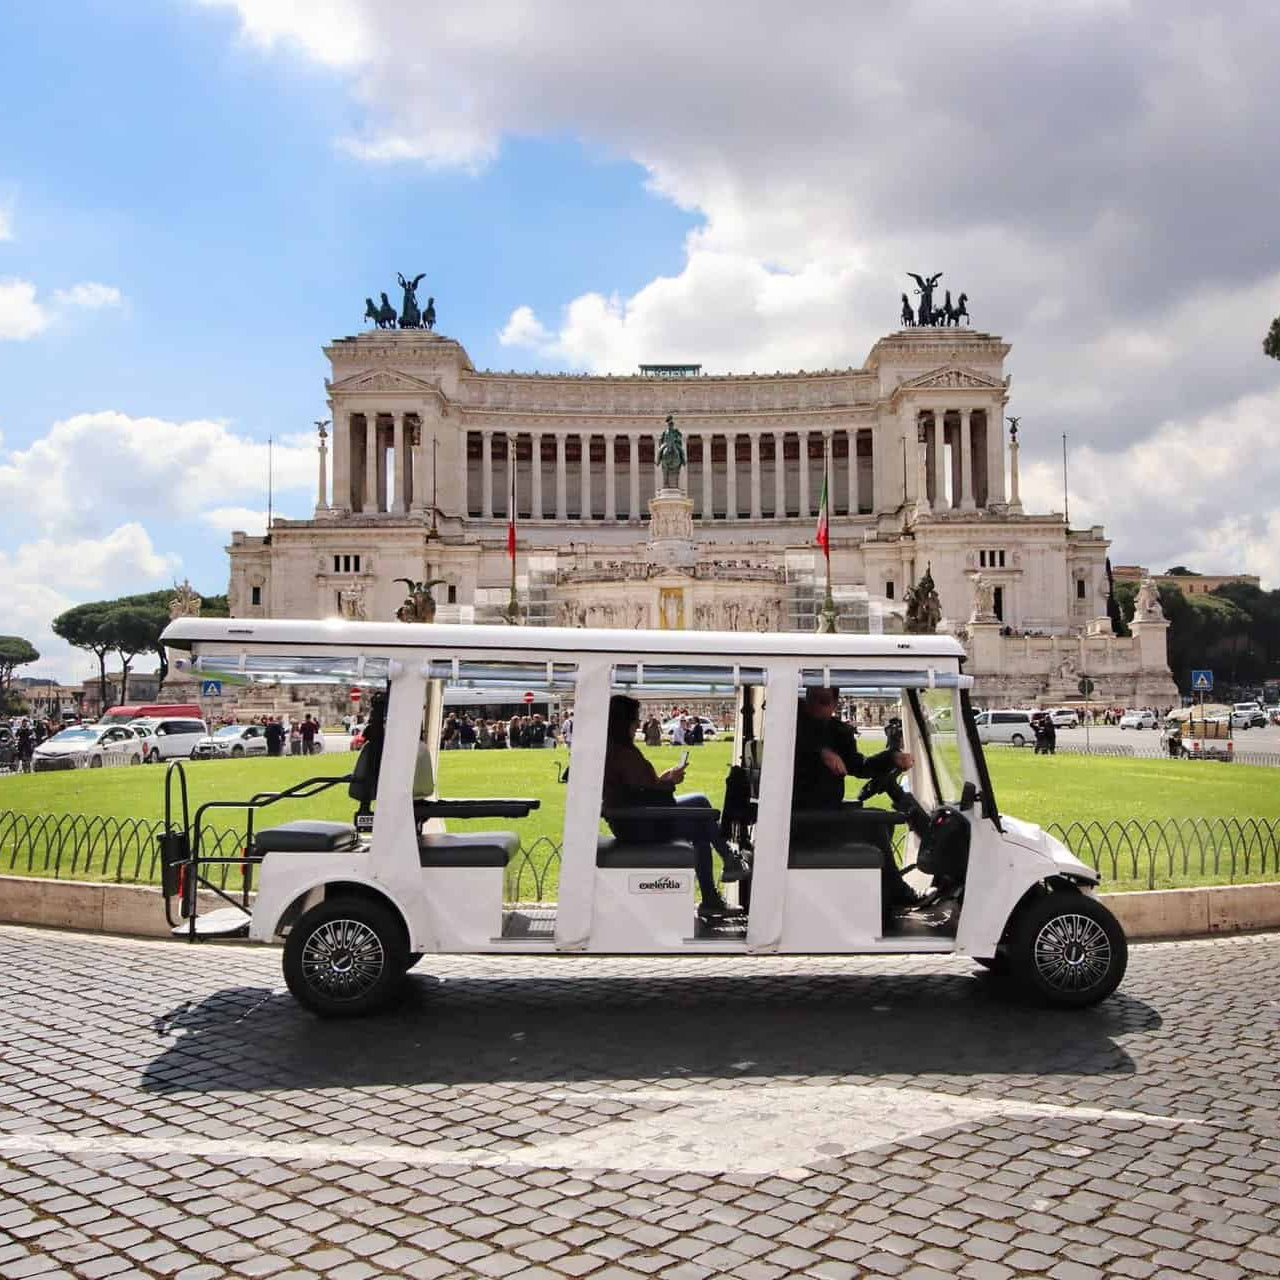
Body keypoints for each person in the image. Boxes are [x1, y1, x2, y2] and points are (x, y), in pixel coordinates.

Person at [603, 694, 748, 922]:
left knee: (701, 824)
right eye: (635, 720)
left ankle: (716, 887)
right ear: (625, 723)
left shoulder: (615, 750)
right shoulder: (622, 754)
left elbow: (642, 788)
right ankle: (728, 863)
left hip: (635, 818)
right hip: (641, 822)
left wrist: (665, 779)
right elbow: (651, 794)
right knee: (701, 806)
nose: (638, 724)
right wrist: (670, 782)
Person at [791, 688, 921, 922]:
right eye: (812, 700)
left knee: (880, 821)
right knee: (875, 827)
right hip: (804, 819)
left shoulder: (837, 732)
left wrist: (891, 757)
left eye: (824, 702)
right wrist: (822, 753)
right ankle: (896, 889)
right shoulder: (793, 722)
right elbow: (797, 740)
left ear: (834, 704)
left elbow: (859, 766)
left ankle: (885, 894)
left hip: (826, 813)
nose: (816, 708)